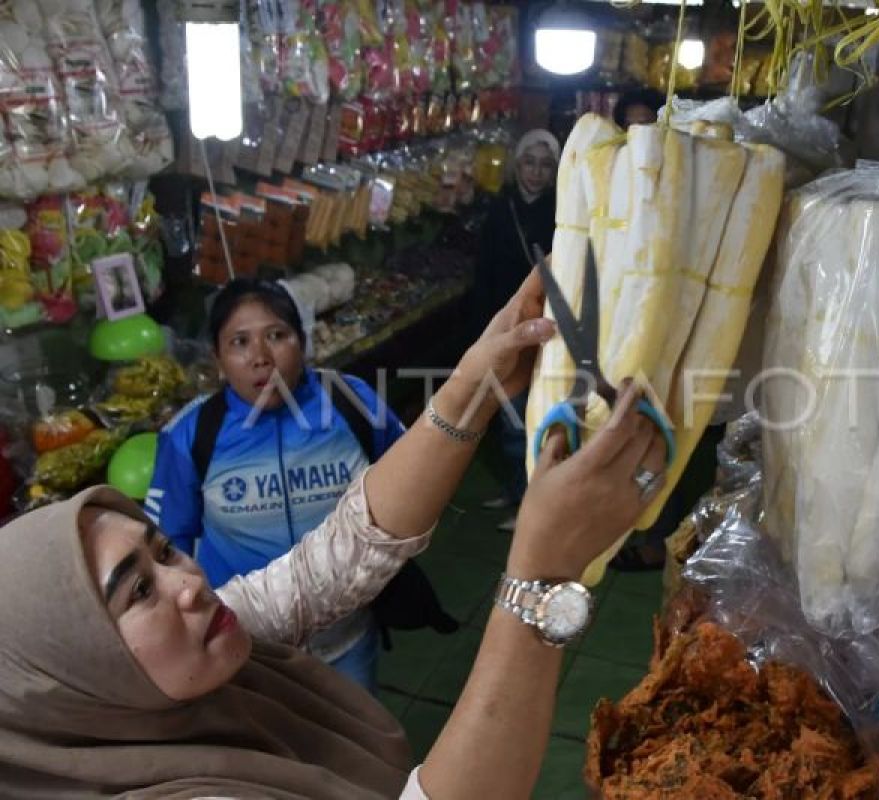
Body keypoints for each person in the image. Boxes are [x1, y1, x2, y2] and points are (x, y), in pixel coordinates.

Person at [0, 270, 670, 799]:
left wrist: (473, 385)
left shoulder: (206, 659)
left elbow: (338, 555)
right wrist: (541, 575)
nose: (191, 583)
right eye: (140, 590)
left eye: (167, 551)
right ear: (73, 678)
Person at [145, 278, 412, 691]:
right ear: (217, 359)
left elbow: (411, 477)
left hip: (347, 637)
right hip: (246, 648)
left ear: (301, 343)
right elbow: (168, 545)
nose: (261, 358)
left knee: (362, 749)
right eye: (239, 342)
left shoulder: (351, 402)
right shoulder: (191, 435)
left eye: (276, 335)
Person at [472, 129, 560, 531]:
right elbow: (485, 271)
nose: (536, 173)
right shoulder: (499, 208)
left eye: (545, 165)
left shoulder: (560, 212)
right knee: (507, 410)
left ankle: (528, 501)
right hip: (502, 323)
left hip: (541, 326)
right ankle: (513, 490)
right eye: (529, 162)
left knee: (527, 416)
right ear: (516, 164)